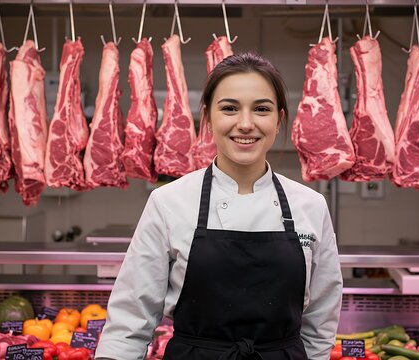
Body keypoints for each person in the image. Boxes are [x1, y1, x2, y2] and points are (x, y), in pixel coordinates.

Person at [95, 52, 343, 360]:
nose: (246, 123)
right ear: (209, 118)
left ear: (279, 120)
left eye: (261, 109)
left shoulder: (311, 206)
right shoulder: (169, 201)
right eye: (229, 109)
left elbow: (320, 322)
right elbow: (129, 322)